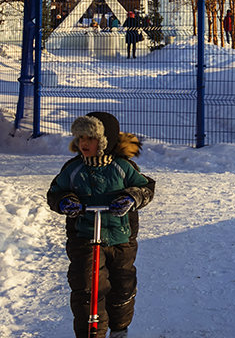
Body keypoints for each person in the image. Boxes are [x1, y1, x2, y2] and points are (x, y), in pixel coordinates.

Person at [46, 112, 155, 338]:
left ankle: (119, 330)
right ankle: (91, 334)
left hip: (120, 238)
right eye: (81, 138)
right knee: (87, 287)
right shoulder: (73, 169)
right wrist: (66, 201)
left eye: (91, 138)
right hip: (84, 237)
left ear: (105, 141)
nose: (84, 143)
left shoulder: (122, 167)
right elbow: (55, 193)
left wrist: (131, 198)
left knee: (122, 287)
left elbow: (145, 189)